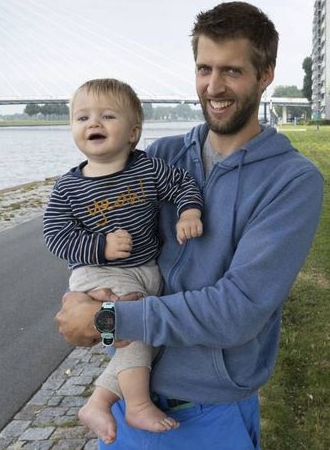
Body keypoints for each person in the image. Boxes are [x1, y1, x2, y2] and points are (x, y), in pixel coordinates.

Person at [56, 1, 324, 449]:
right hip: (128, 395)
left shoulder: (292, 181)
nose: (213, 87)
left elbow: (237, 311)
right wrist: (82, 298)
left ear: (266, 74)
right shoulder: (159, 157)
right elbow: (102, 241)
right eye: (204, 68)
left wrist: (107, 319)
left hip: (209, 410)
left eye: (232, 71)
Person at [44, 78, 205, 437]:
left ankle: (98, 402)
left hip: (146, 271)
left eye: (106, 116)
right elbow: (55, 237)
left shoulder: (146, 169)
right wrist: (99, 246)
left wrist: (189, 212)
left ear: (133, 132)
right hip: (99, 273)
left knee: (148, 336)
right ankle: (136, 405)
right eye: (82, 117)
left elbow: (183, 184)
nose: (93, 123)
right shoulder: (69, 187)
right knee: (132, 332)